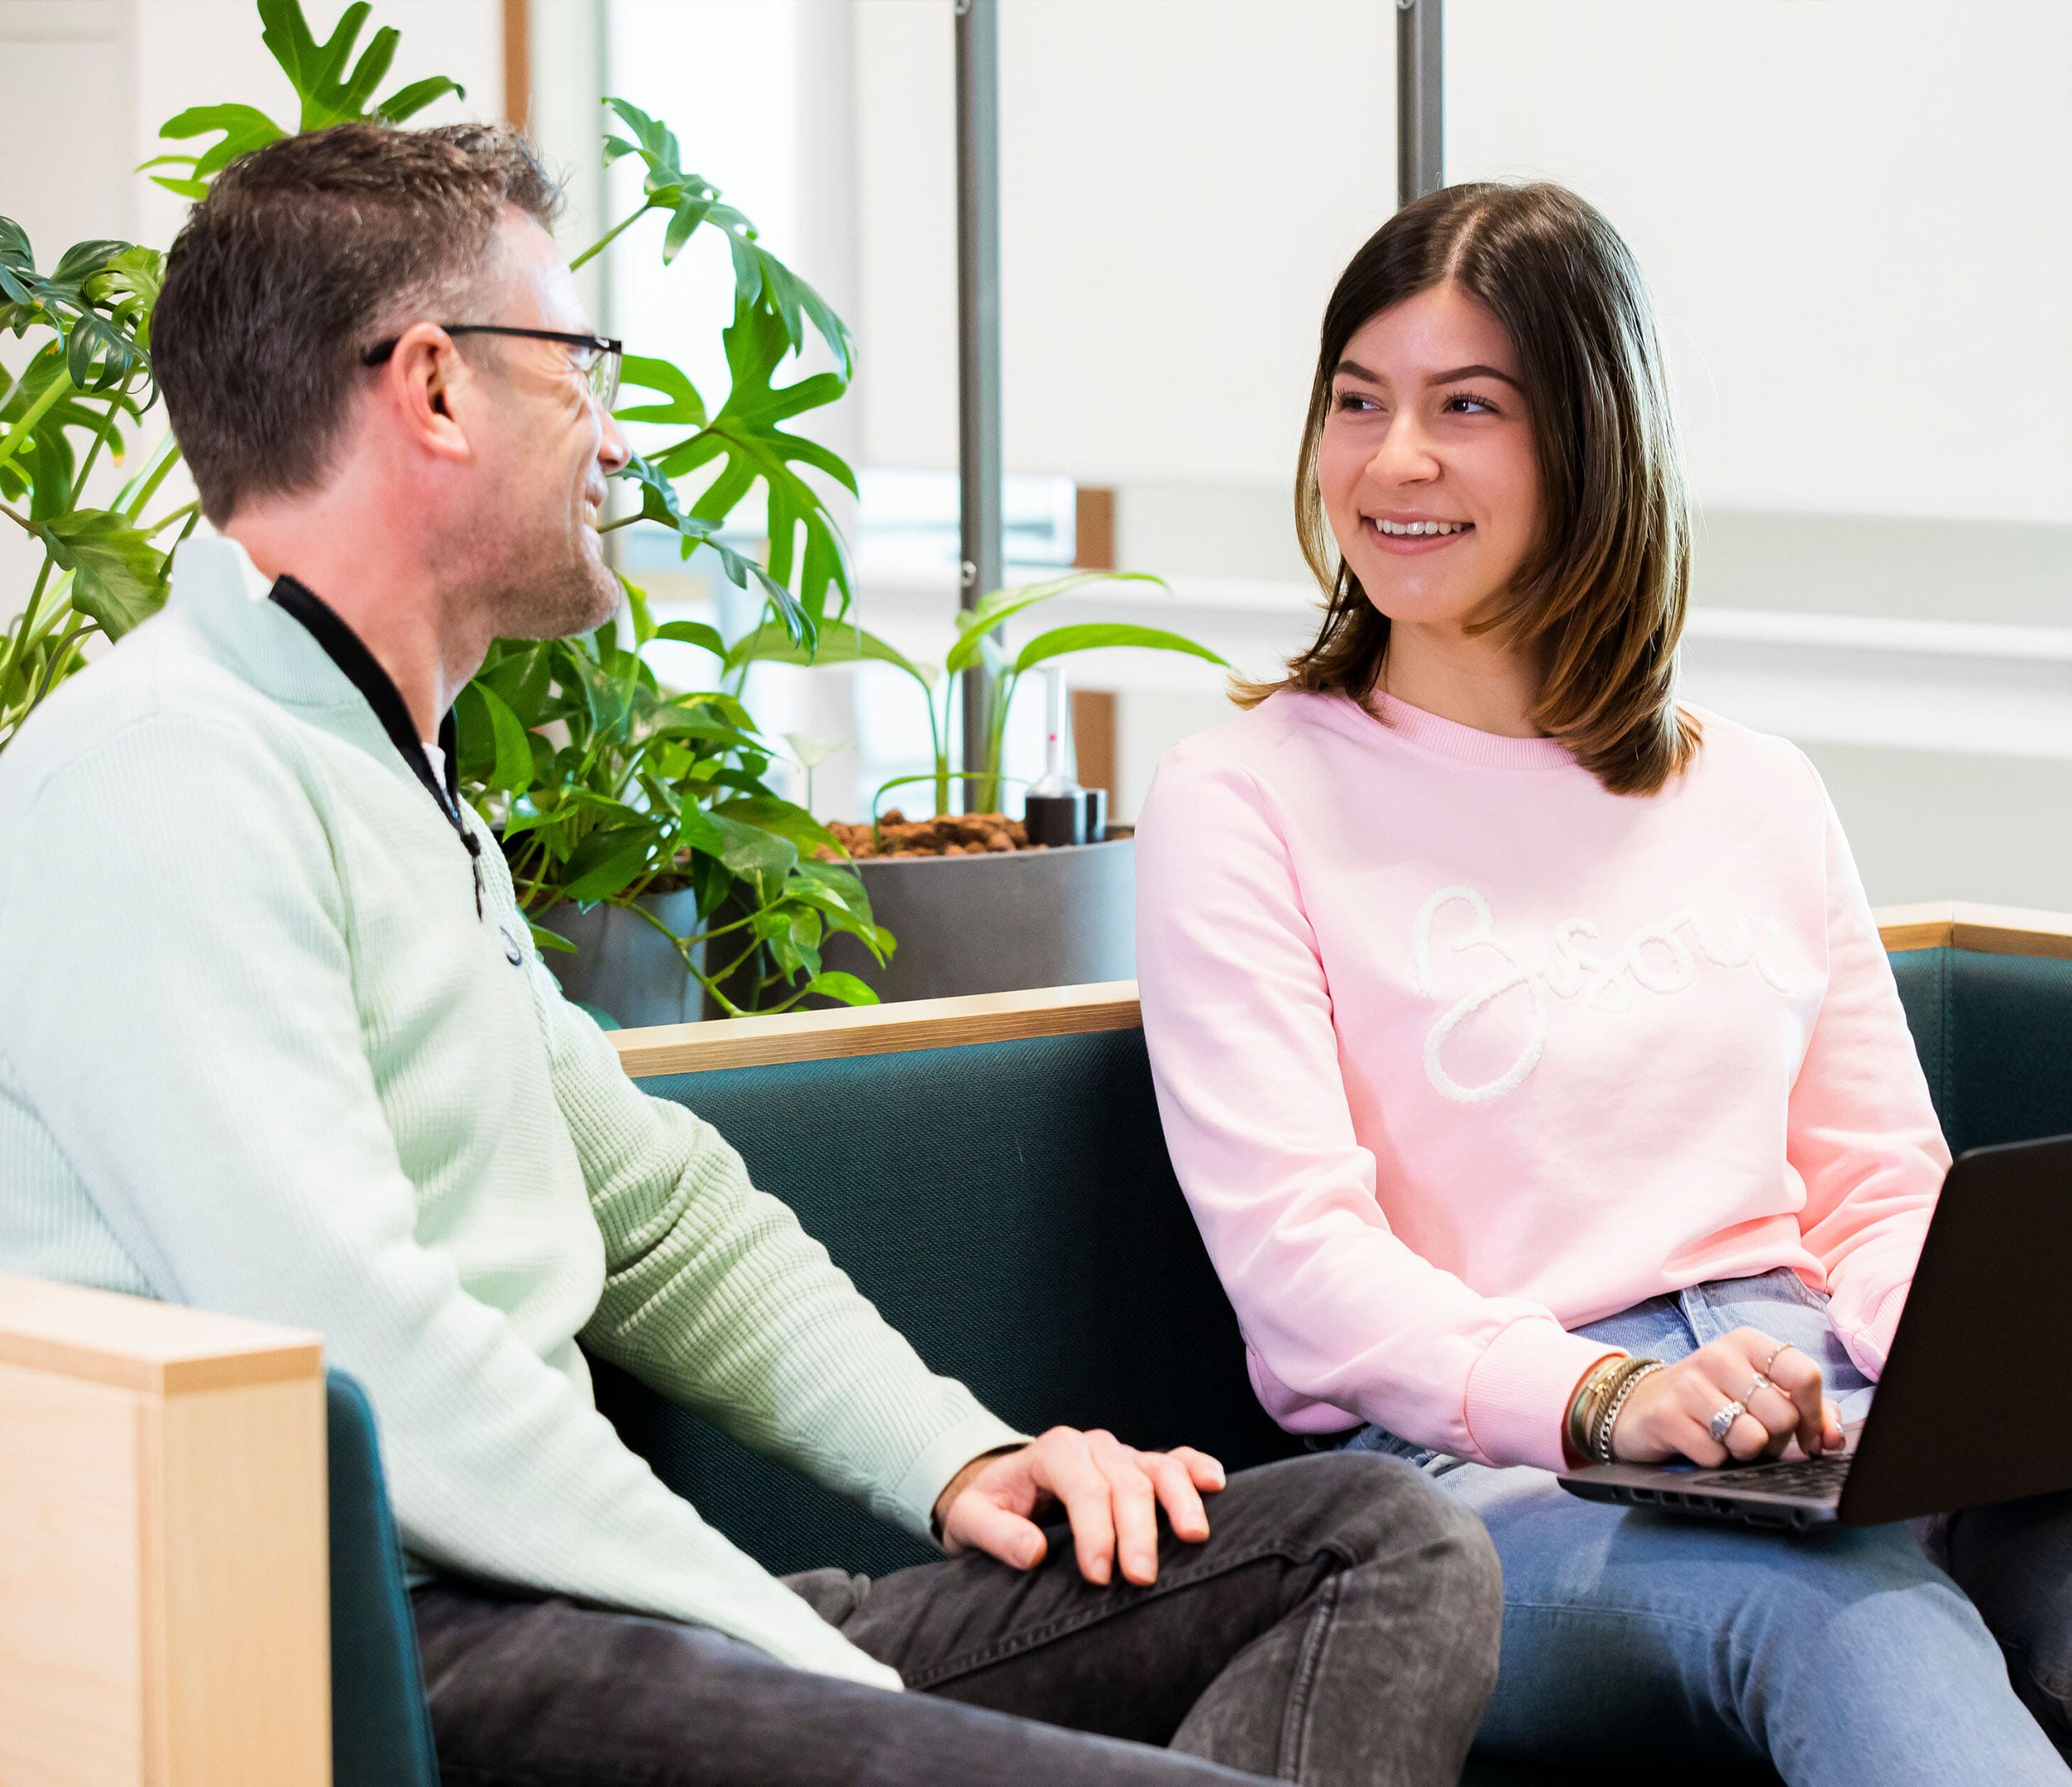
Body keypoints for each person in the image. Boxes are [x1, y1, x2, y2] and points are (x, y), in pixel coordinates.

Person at [0, 123, 1505, 1787]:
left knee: (1382, 1544)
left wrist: (962, 1456)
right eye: (580, 360)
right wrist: (797, 1656)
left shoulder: (384, 770)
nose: (614, 426)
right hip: (420, 1650)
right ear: (431, 389)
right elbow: (370, 1362)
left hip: (611, 1613)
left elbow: (659, 1216)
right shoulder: (159, 780)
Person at [1133, 180, 2072, 1787]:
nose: (1394, 462)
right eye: (1357, 403)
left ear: (1590, 439)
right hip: (1486, 1475)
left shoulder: (1756, 788)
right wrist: (1611, 1396)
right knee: (1853, 1618)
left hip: (1818, 1402)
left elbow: (1877, 1189)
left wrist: (1949, 1380)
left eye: (1466, 408)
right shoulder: (1244, 798)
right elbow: (1303, 1275)